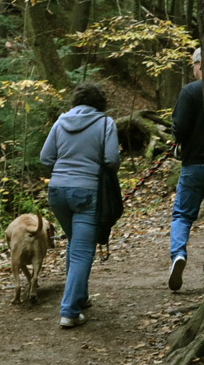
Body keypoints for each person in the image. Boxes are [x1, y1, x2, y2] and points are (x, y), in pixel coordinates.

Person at [40, 81, 120, 328]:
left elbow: (45, 158)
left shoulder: (60, 121)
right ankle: (69, 311)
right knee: (83, 251)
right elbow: (111, 159)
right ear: (100, 103)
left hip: (57, 192)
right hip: (87, 193)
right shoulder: (106, 123)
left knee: (76, 244)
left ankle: (80, 297)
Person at [167, 47, 204, 291]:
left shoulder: (191, 91)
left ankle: (178, 254)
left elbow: (179, 128)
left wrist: (178, 141)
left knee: (182, 215)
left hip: (192, 166)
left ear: (199, 65)